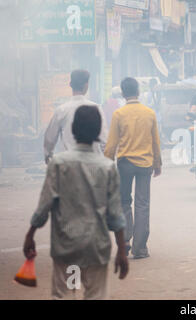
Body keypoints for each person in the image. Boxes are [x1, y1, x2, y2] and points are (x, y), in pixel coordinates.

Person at [22, 105, 128, 300]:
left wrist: (30, 234)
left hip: (67, 247)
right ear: (98, 131)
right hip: (96, 248)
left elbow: (44, 205)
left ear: (73, 129)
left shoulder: (59, 163)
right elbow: (115, 215)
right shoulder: (107, 167)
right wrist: (121, 250)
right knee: (95, 295)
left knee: (65, 295)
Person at [104, 77, 162, 259]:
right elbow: (155, 141)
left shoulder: (118, 114)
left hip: (125, 163)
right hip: (145, 164)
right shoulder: (149, 113)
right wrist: (157, 163)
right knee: (143, 204)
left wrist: (107, 165)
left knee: (123, 202)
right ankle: (140, 247)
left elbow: (111, 144)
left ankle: (125, 240)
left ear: (122, 93)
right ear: (138, 91)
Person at [44, 69, 108, 164]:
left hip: (69, 165)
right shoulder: (96, 108)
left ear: (71, 85)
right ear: (86, 85)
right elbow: (103, 139)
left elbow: (50, 138)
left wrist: (48, 154)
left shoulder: (61, 110)